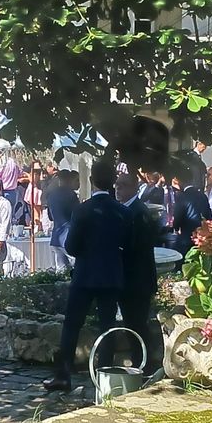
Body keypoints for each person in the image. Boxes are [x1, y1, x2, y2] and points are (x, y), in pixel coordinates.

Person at [44, 161, 133, 392]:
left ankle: (63, 375)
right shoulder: (123, 211)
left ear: (91, 181)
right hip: (111, 274)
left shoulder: (83, 209)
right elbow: (128, 244)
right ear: (113, 181)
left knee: (72, 325)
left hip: (84, 275)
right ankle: (104, 378)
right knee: (107, 326)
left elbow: (72, 247)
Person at [114, 173, 158, 373]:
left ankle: (144, 364)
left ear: (133, 187)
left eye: (122, 186)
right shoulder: (129, 210)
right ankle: (140, 361)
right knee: (133, 322)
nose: (118, 189)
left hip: (136, 280)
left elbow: (137, 247)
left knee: (137, 323)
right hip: (131, 279)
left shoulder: (137, 211)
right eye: (117, 185)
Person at [171, 169, 212, 258]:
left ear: (178, 181)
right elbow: (209, 216)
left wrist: (175, 226)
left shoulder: (182, 197)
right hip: (201, 237)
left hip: (186, 237)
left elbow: (178, 219)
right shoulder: (202, 195)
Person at [47, 170, 80, 272]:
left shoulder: (51, 195)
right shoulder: (71, 195)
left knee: (61, 272)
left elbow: (50, 217)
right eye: (77, 180)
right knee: (78, 266)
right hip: (68, 235)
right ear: (70, 180)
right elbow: (77, 215)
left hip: (56, 236)